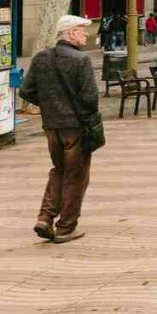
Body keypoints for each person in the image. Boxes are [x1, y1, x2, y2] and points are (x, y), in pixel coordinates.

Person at [19, 15, 99, 244]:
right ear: (71, 33)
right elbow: (90, 97)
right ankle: (65, 227)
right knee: (76, 175)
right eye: (83, 31)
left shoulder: (41, 58)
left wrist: (49, 105)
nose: (86, 34)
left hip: (52, 125)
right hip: (76, 126)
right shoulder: (80, 60)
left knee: (59, 170)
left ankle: (45, 217)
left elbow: (26, 91)